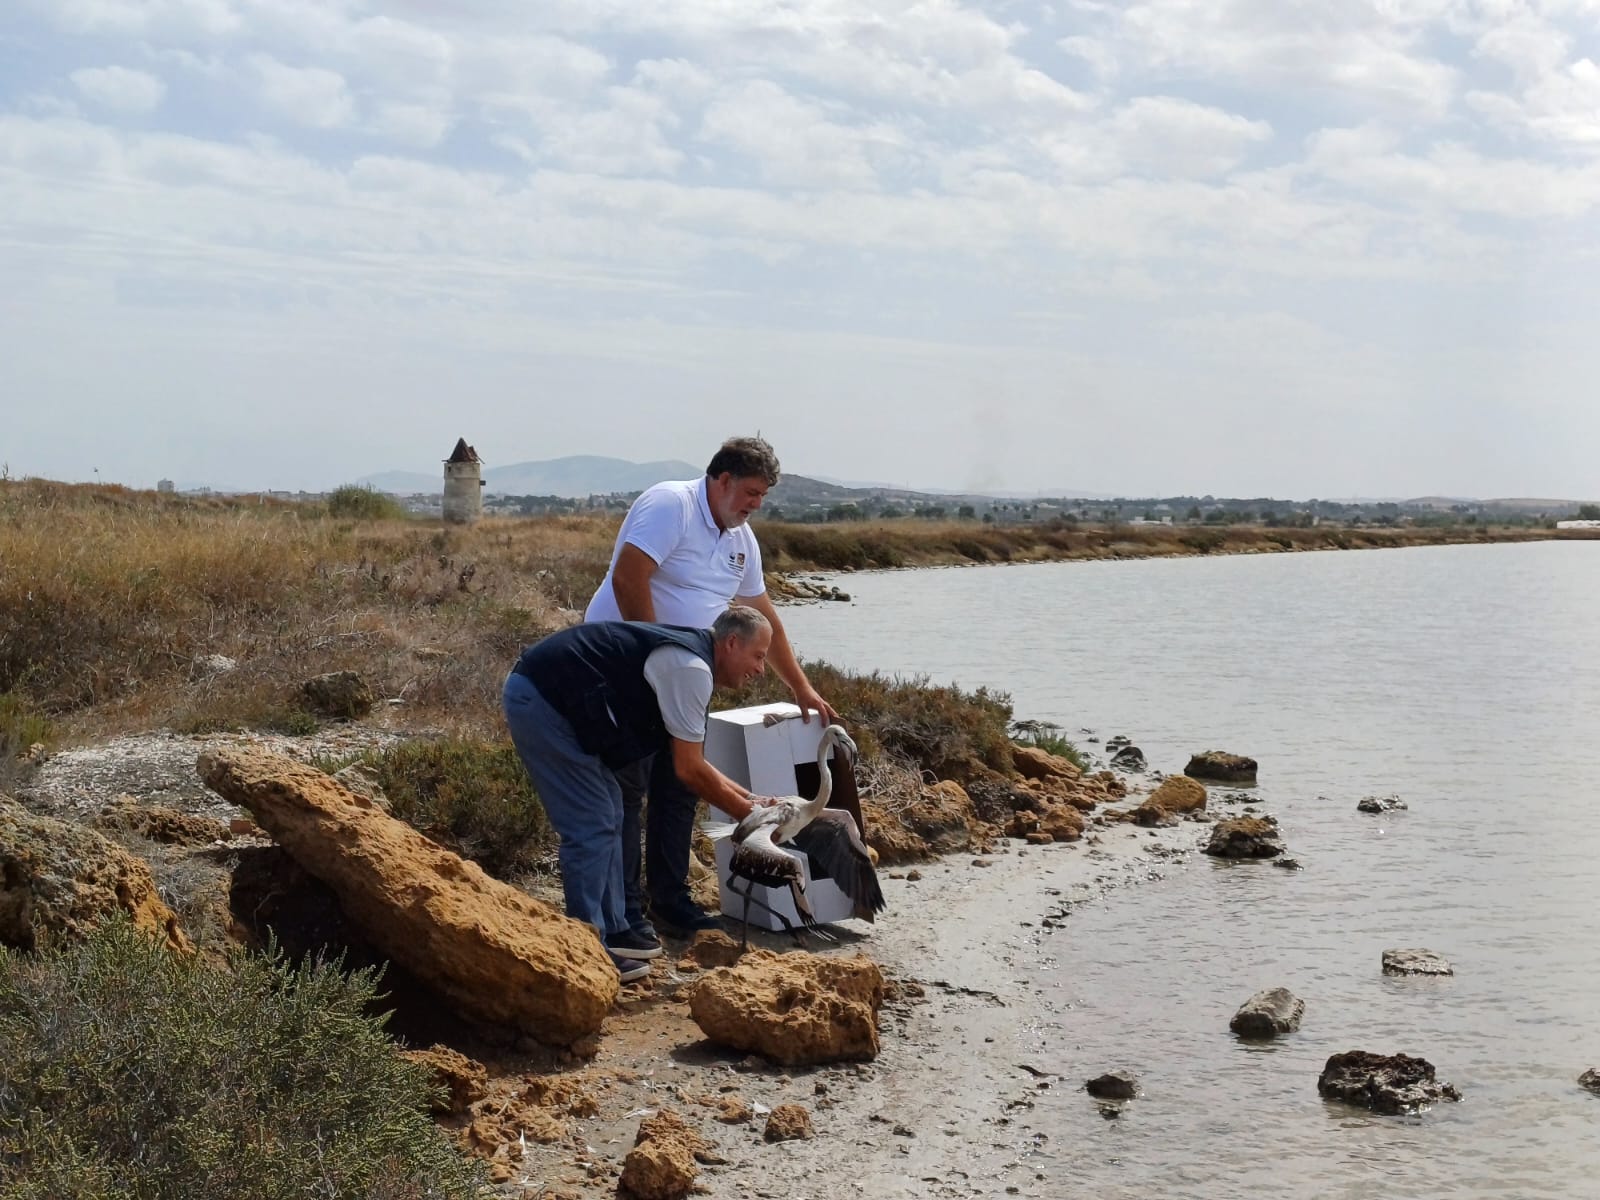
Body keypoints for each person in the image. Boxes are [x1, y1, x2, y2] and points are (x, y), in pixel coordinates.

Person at [584, 436, 837, 936]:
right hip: (629, 671)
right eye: (751, 492)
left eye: (763, 496)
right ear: (722, 480)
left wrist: (800, 688)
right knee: (626, 791)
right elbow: (628, 579)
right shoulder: (671, 504)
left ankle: (670, 902)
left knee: (680, 786)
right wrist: (655, 656)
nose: (756, 504)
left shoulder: (742, 540)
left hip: (687, 679)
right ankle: (624, 912)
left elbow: (764, 619)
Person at [502, 606, 777, 984]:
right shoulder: (691, 670)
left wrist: (751, 799)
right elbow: (688, 770)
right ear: (731, 643)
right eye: (758, 656)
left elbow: (695, 762)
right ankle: (587, 948)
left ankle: (615, 929)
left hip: (558, 702)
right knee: (591, 823)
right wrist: (751, 816)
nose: (761, 669)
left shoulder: (695, 663)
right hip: (540, 700)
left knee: (611, 811)